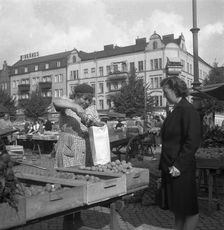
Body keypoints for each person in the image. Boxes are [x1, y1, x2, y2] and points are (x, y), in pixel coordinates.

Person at [159, 76, 201, 230]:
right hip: (171, 167)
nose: (164, 95)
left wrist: (178, 166)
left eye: (165, 91)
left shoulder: (187, 110)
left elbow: (192, 141)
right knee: (178, 209)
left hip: (180, 169)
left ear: (175, 89)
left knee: (189, 210)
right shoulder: (176, 109)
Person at [53, 83, 104, 168]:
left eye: (90, 100)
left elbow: (96, 125)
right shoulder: (67, 105)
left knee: (85, 176)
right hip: (69, 147)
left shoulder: (92, 110)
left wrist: (98, 125)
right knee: (69, 175)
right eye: (85, 99)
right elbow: (55, 102)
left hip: (87, 148)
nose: (87, 102)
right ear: (76, 96)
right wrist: (75, 106)